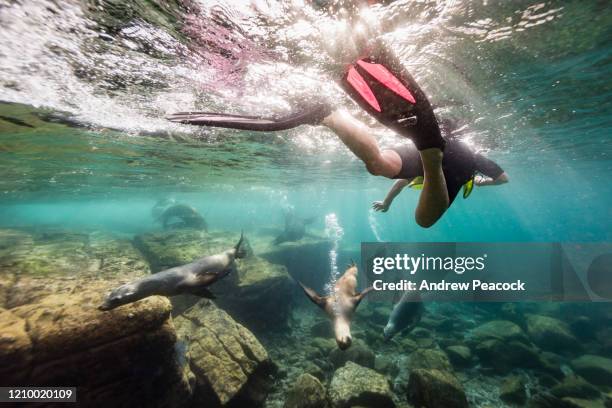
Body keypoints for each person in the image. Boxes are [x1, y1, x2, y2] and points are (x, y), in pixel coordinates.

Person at [168, 39, 508, 228]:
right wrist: (483, 181)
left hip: (428, 152)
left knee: (378, 164)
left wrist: (388, 202)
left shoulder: (452, 147)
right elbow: (503, 178)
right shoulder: (478, 158)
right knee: (424, 221)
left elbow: (404, 178)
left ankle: (329, 116)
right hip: (451, 161)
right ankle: (432, 156)